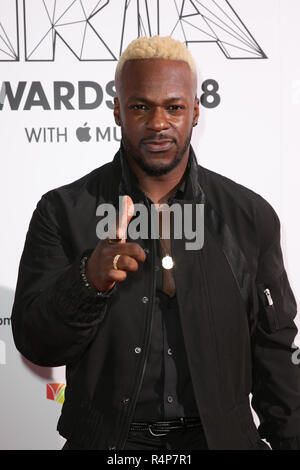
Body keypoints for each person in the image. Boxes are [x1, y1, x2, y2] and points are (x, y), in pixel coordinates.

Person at [11, 35, 300, 450]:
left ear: (196, 111)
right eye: (141, 106)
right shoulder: (63, 212)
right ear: (117, 111)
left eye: (174, 107)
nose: (159, 122)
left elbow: (275, 354)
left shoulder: (248, 216)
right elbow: (36, 342)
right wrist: (87, 281)